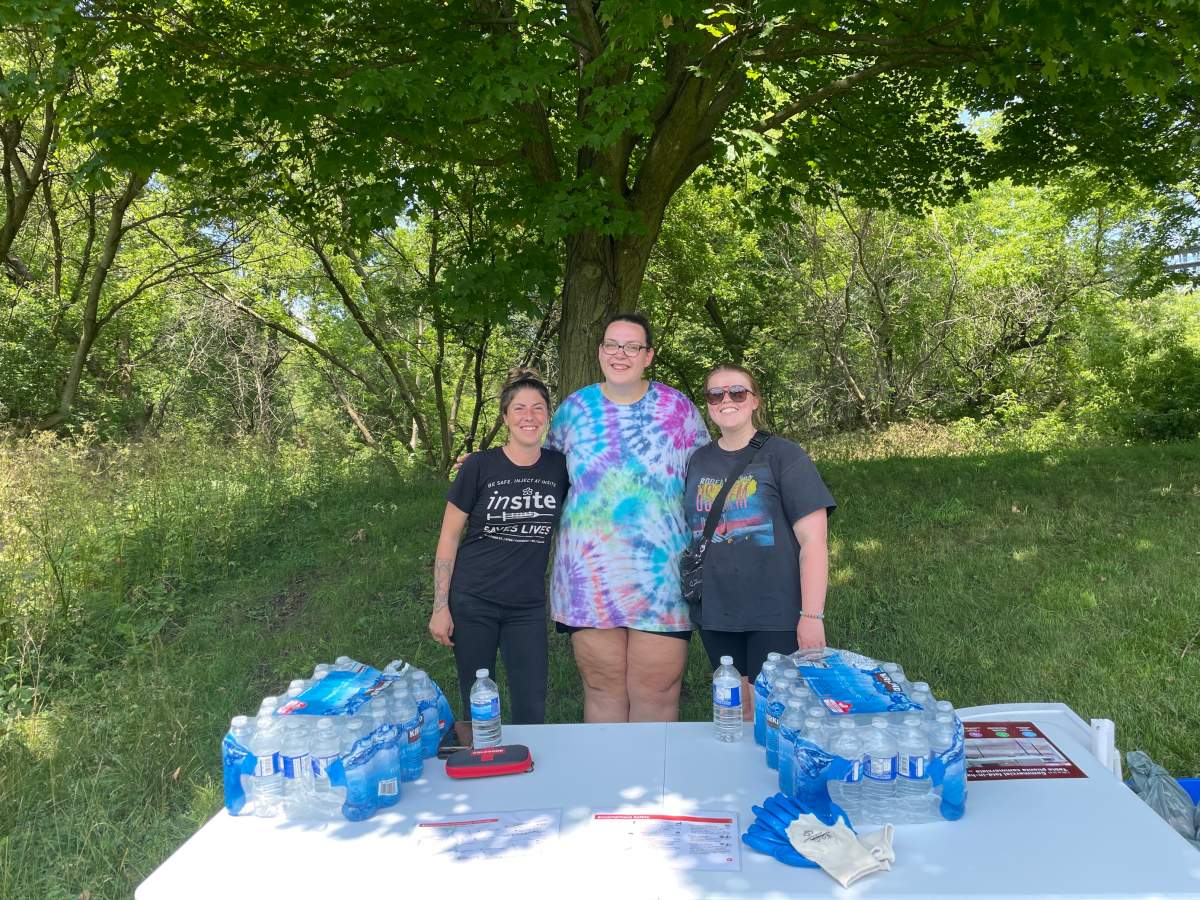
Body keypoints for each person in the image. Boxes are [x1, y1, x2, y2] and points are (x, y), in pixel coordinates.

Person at [546, 313, 709, 722]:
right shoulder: (574, 410)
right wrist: (486, 467)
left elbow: (709, 479)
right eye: (612, 345)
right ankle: (607, 786)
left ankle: (654, 787)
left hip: (662, 578)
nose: (621, 354)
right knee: (603, 691)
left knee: (655, 694)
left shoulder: (678, 410)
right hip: (589, 577)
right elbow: (542, 475)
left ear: (648, 355)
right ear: (600, 351)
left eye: (632, 346)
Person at [683, 362, 836, 720]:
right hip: (716, 611)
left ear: (755, 401)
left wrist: (812, 615)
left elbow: (814, 540)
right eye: (715, 394)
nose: (726, 400)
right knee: (733, 708)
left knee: (772, 711)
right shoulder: (699, 460)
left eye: (738, 392)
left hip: (775, 609)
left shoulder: (784, 455)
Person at [429, 368, 569, 728]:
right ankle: (480, 773)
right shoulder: (478, 466)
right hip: (474, 600)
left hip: (527, 605)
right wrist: (440, 607)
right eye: (519, 408)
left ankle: (528, 774)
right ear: (505, 417)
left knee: (531, 703)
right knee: (477, 699)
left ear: (547, 417)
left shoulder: (561, 468)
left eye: (538, 408)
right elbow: (448, 538)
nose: (529, 416)